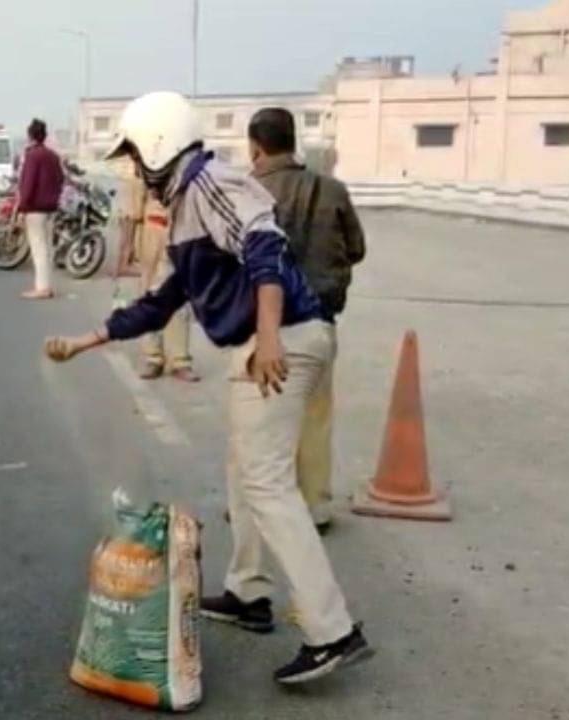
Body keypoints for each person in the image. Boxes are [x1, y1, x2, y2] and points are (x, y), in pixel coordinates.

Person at [43, 91, 371, 685]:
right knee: (245, 472)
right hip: (278, 338)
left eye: (137, 157)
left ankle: (332, 631)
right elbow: (164, 300)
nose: (136, 170)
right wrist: (85, 340)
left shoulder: (210, 184)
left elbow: (265, 245)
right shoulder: (190, 201)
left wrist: (269, 337)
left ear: (159, 147)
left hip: (282, 339)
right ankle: (248, 594)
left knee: (267, 483)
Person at [247, 108, 367, 532]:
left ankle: (261, 507)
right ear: (293, 142)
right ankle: (315, 506)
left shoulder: (247, 192)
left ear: (255, 147)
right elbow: (356, 248)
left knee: (262, 422)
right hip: (320, 322)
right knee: (315, 416)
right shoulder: (332, 191)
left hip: (263, 328)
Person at [123, 175, 199, 382]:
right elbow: (132, 213)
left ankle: (180, 360)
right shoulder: (142, 171)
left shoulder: (186, 170)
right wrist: (127, 246)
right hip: (151, 234)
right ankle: (153, 357)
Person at [14, 118, 64, 300]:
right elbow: (60, 180)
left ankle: (42, 288)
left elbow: (27, 184)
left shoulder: (32, 155)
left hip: (35, 209)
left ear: (30, 135)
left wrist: (22, 207)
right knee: (47, 248)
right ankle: (46, 285)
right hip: (51, 208)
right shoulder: (53, 156)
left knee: (38, 249)